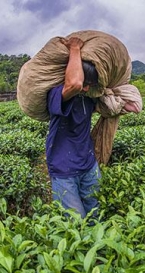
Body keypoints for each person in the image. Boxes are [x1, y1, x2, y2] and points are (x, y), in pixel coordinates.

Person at [45, 37, 100, 220]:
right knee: (76, 223)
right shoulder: (57, 95)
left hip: (89, 165)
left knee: (95, 216)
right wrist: (74, 48)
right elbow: (75, 84)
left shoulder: (90, 97)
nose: (84, 89)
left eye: (89, 86)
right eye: (85, 84)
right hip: (64, 169)